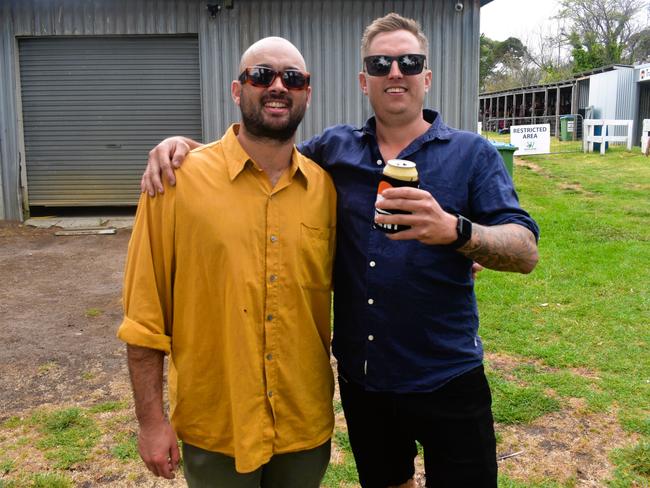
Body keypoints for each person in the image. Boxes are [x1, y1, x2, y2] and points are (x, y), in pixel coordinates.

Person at [142, 13, 539, 488]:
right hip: (365, 380)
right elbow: (264, 147)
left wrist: (458, 231)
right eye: (381, 63)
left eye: (409, 62)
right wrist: (186, 150)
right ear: (363, 80)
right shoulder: (334, 152)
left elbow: (525, 250)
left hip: (447, 374)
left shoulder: (472, 153)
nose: (396, 72)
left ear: (426, 77)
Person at [118, 36, 337, 487]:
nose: (278, 86)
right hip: (216, 424)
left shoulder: (325, 190)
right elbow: (143, 315)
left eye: (292, 78)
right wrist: (150, 421)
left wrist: (446, 256)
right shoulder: (176, 183)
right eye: (262, 75)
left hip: (303, 423)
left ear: (307, 93)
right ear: (238, 91)